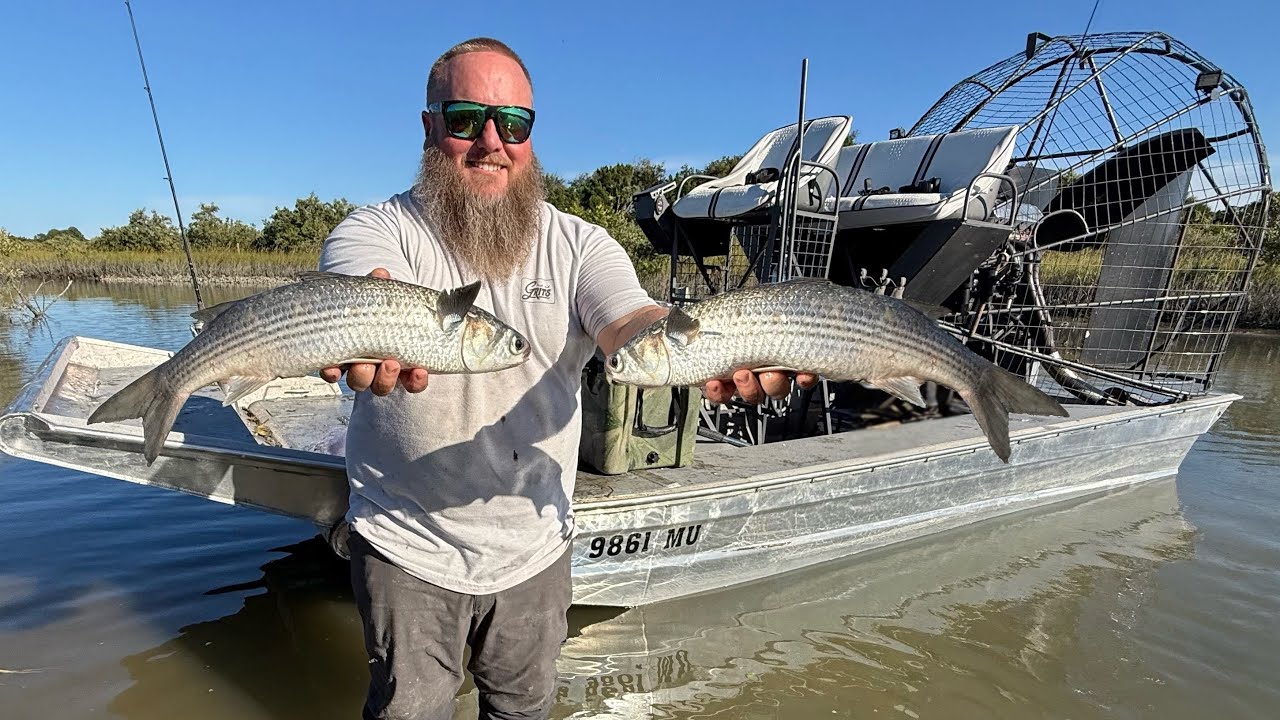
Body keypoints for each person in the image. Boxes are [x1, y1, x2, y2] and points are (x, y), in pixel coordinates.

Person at [317, 36, 816, 720]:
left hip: (535, 550)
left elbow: (631, 318)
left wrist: (709, 347)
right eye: (467, 119)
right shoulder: (378, 228)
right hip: (407, 547)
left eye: (514, 123)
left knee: (525, 711)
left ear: (531, 136)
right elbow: (364, 282)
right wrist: (368, 318)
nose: (492, 141)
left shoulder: (580, 243)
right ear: (431, 127)